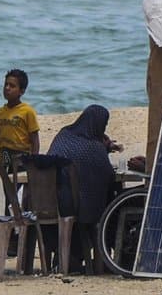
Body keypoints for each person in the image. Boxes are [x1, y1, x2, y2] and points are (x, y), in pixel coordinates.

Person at [46, 105, 119, 273]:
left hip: (50, 202)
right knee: (108, 204)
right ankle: (107, 257)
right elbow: (108, 176)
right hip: (75, 207)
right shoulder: (94, 147)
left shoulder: (64, 134)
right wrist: (104, 149)